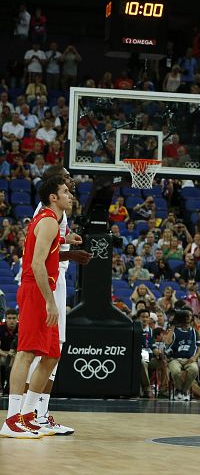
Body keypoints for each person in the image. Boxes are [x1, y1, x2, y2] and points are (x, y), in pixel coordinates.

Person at [1, 177, 72, 438]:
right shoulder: (48, 221)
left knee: (52, 354)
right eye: (65, 191)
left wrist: (66, 243)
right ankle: (11, 420)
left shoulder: (49, 223)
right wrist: (51, 302)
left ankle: (29, 414)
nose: (70, 195)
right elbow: (36, 265)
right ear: (53, 197)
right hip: (36, 292)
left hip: (44, 291)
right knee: (26, 353)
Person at [24, 166, 91, 434]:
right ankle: (31, 414)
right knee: (42, 350)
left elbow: (53, 245)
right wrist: (71, 255)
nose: (71, 181)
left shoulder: (57, 214)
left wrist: (66, 242)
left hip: (54, 279)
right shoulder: (47, 213)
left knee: (52, 351)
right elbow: (40, 256)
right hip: (46, 282)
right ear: (55, 187)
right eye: (65, 178)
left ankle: (38, 412)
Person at [165, 308, 200, 401]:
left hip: (189, 358)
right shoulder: (175, 330)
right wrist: (172, 326)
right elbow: (167, 342)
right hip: (175, 358)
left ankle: (183, 391)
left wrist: (194, 357)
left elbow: (199, 349)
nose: (188, 317)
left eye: (189, 315)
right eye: (186, 315)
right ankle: (178, 390)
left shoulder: (194, 332)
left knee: (194, 369)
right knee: (176, 371)